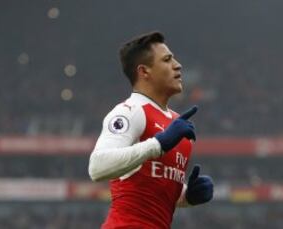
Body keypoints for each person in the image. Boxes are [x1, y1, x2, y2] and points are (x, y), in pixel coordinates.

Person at [88, 31, 213, 229]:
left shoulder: (176, 124)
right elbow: (97, 167)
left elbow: (152, 189)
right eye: (167, 60)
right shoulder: (130, 111)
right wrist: (158, 144)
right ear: (144, 72)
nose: (177, 65)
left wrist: (188, 196)